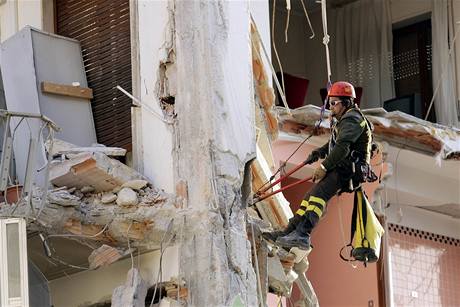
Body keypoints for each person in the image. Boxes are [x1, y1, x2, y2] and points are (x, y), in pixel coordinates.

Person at [265, 81, 377, 250]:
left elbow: (342, 147)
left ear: (346, 103)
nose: (331, 107)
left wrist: (323, 167)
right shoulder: (343, 119)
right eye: (329, 103)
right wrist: (319, 152)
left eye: (334, 103)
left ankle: (302, 235)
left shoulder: (353, 119)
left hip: (348, 169)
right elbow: (334, 144)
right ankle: (289, 232)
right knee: (310, 197)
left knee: (318, 195)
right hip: (342, 165)